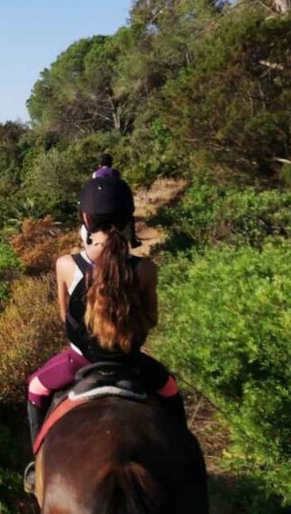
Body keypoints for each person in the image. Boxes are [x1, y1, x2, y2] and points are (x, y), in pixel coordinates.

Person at [28, 177, 184, 449]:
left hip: (78, 363)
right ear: (127, 219)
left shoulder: (66, 265)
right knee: (170, 389)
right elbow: (151, 320)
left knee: (35, 388)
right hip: (131, 362)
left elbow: (65, 319)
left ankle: (35, 462)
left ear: (86, 219)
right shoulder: (146, 269)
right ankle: (184, 456)